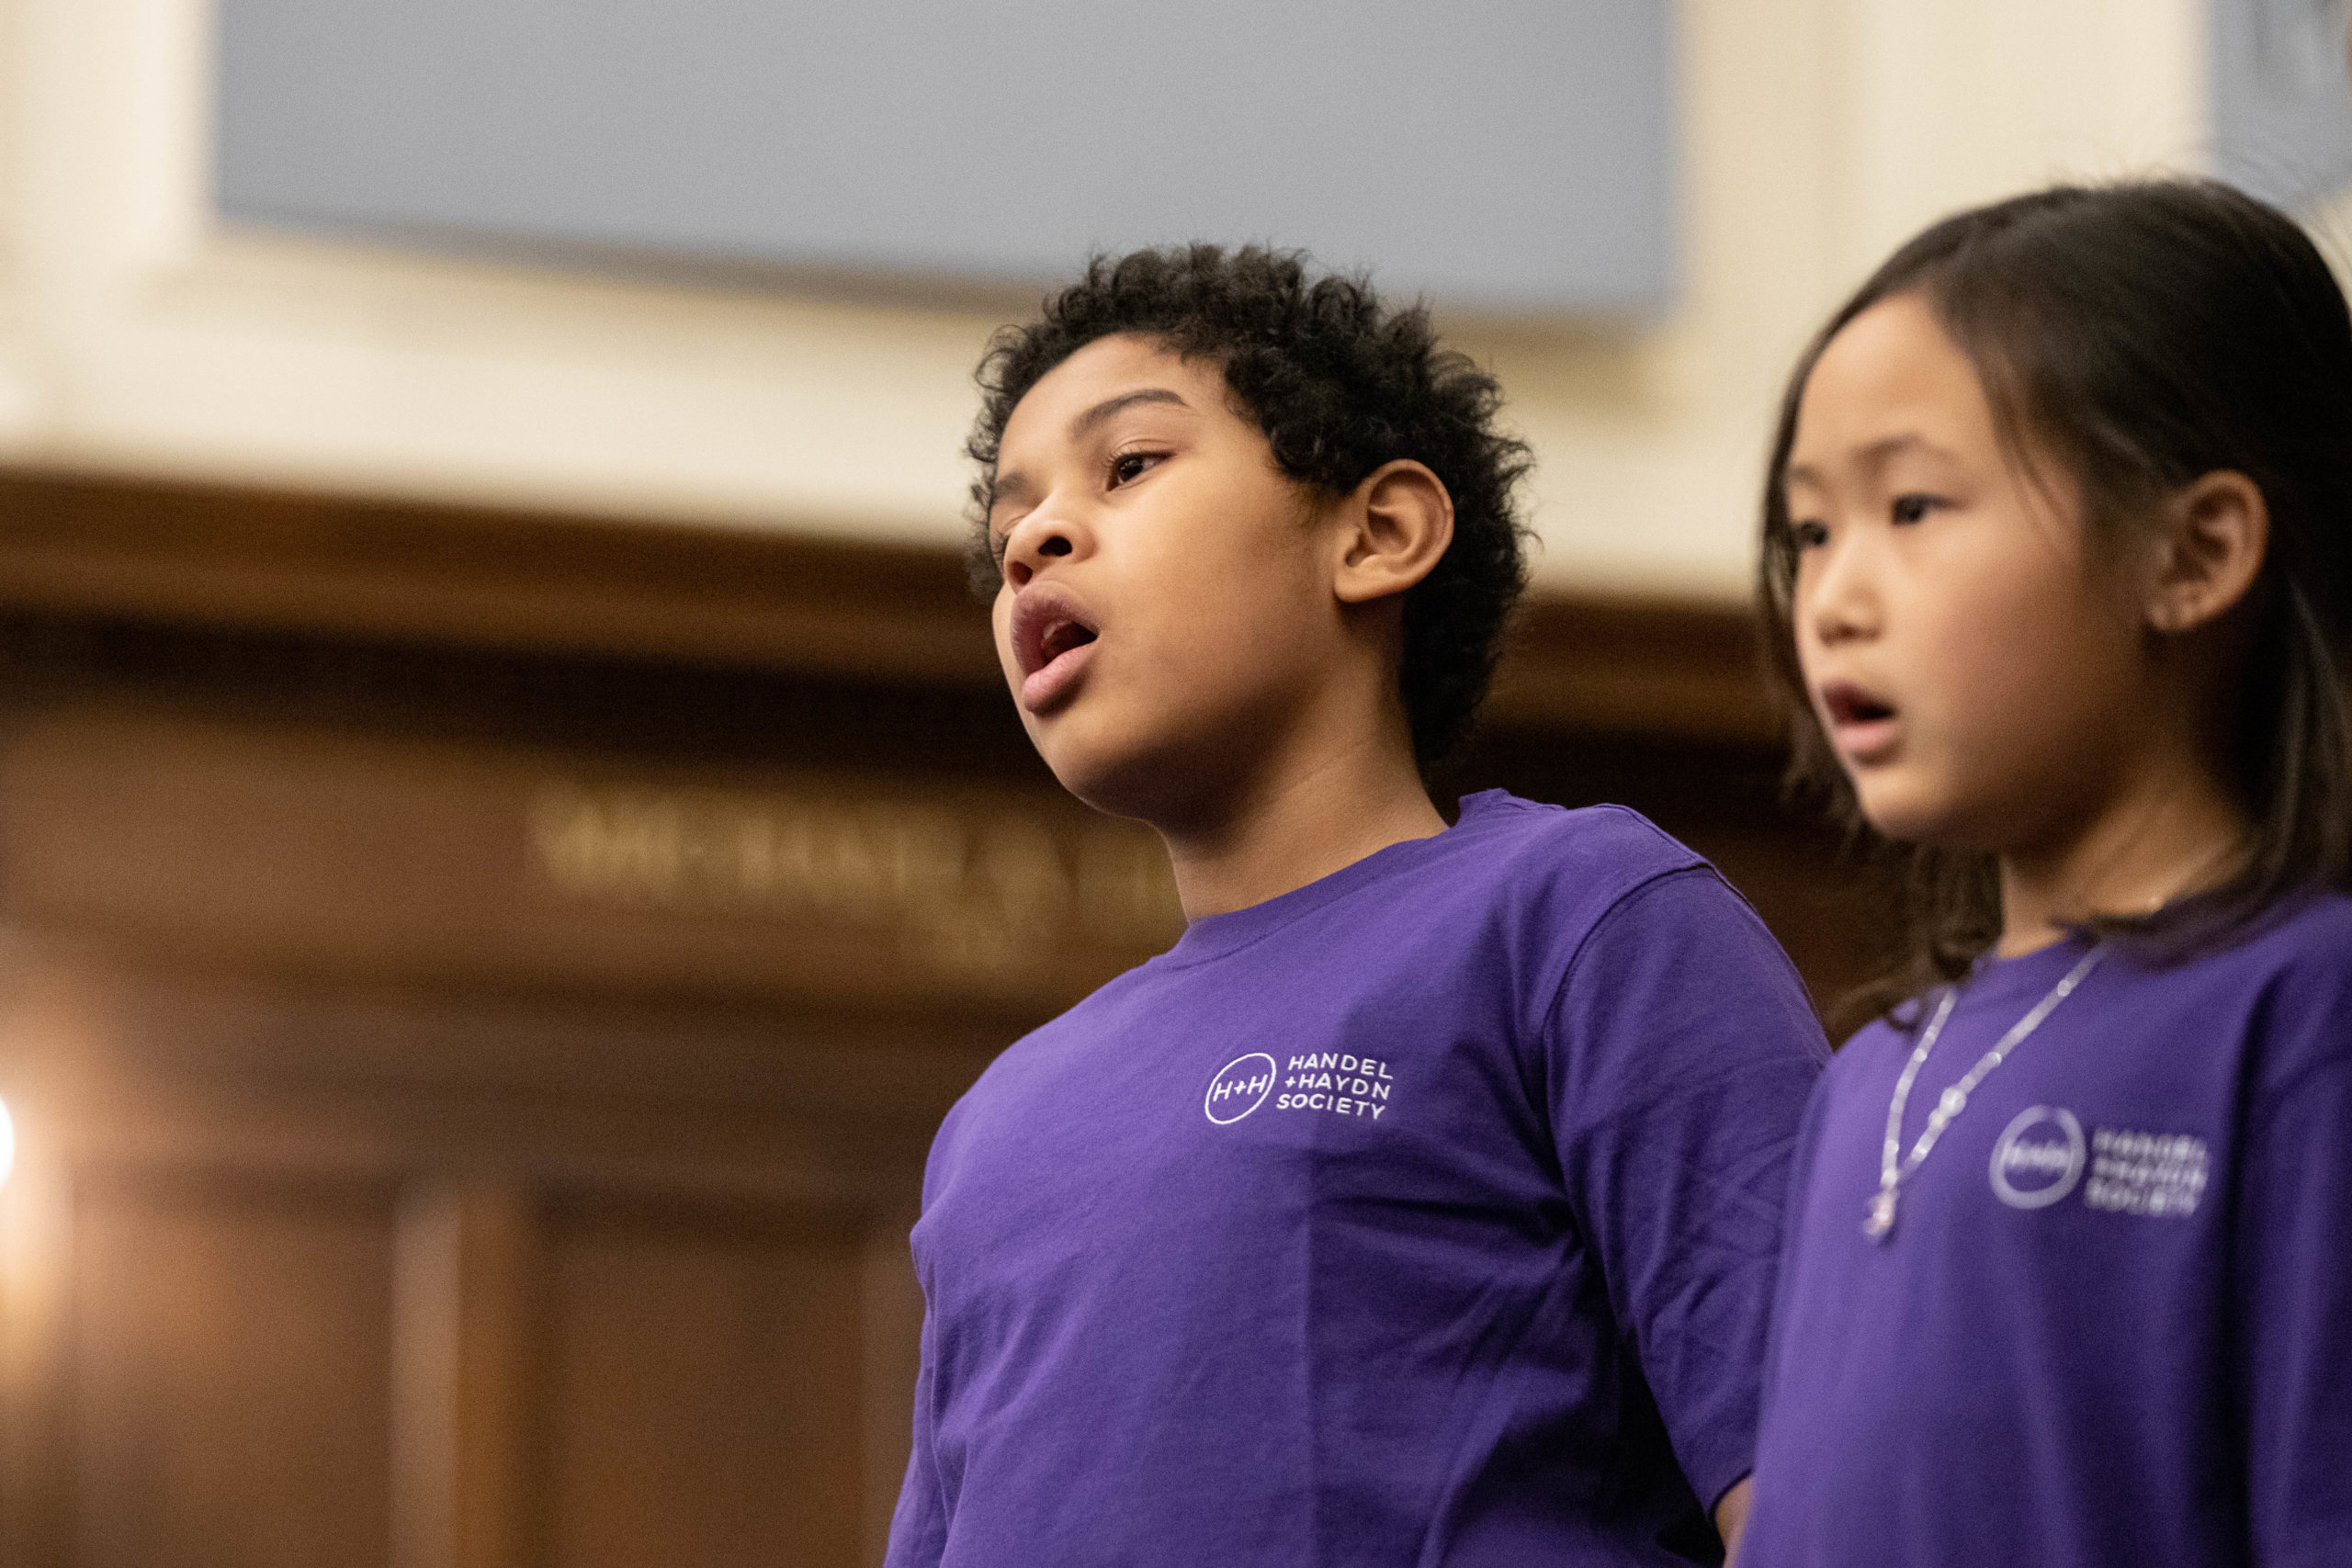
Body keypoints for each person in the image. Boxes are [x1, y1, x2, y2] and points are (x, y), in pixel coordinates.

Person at [883, 246, 1827, 1567]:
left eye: (1131, 467)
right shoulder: (996, 1123)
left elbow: (1830, 1483)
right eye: (1007, 527)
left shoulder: (1581, 918)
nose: (1035, 540)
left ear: (1378, 533)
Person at [1738, 181, 2352, 1567]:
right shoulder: (1869, 1077)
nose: (1833, 595)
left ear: (2191, 554)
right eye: (1810, 530)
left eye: (1912, 505)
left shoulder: (2306, 1009)